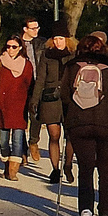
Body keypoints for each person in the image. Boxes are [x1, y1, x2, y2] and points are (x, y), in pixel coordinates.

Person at [62, 32, 108, 216]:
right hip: (107, 123)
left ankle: (86, 211)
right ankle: (106, 214)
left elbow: (64, 96)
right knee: (107, 169)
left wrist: (68, 119)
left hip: (80, 123)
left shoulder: (72, 68)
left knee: (85, 168)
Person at [33, 21, 76, 183]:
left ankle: (68, 164)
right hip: (50, 97)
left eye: (61, 39)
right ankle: (55, 169)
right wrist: (34, 100)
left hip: (69, 98)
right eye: (56, 39)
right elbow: (41, 79)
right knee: (54, 135)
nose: (58, 42)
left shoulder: (73, 54)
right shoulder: (46, 55)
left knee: (70, 135)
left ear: (67, 39)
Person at [0, 36, 34, 180]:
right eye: (8, 46)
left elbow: (30, 85)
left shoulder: (26, 65)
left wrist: (29, 102)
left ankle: (13, 171)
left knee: (18, 139)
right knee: (3, 140)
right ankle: (7, 165)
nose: (10, 49)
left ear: (20, 48)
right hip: (2, 105)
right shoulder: (0, 62)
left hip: (19, 106)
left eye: (14, 47)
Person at [16, 18, 43, 163]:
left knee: (36, 116)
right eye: (33, 28)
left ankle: (33, 141)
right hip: (21, 84)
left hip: (36, 83)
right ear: (25, 29)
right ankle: (22, 152)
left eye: (37, 27)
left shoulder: (40, 43)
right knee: (20, 120)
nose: (36, 30)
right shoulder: (16, 44)